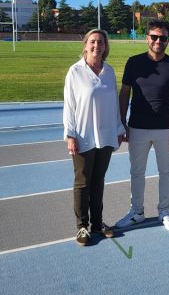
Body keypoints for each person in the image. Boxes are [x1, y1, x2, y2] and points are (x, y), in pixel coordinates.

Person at [115, 19, 169, 232]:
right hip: (137, 127)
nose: (158, 41)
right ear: (146, 38)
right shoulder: (134, 62)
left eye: (163, 38)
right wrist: (122, 123)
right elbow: (124, 94)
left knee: (166, 172)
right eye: (154, 37)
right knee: (137, 172)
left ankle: (164, 211)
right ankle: (137, 212)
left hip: (166, 129)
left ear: (168, 40)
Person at [63, 29, 126, 246]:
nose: (96, 45)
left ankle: (97, 224)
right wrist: (70, 134)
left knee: (98, 181)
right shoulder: (75, 71)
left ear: (106, 46)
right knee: (82, 182)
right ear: (86, 44)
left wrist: (119, 129)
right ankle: (82, 227)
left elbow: (114, 103)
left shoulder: (108, 71)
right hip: (82, 135)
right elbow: (69, 106)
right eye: (93, 41)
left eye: (101, 42)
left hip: (106, 135)